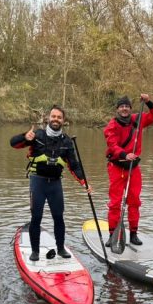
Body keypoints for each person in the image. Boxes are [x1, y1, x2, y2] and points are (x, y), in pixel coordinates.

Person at [10, 105, 90, 262]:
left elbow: (74, 165)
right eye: (53, 116)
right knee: (36, 218)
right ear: (48, 118)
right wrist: (25, 137)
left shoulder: (67, 141)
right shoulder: (37, 134)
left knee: (59, 217)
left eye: (59, 117)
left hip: (55, 184)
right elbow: (13, 143)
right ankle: (34, 251)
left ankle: (60, 249)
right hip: (37, 183)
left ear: (63, 121)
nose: (56, 119)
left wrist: (84, 182)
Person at [103, 93, 153, 245]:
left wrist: (148, 102)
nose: (124, 109)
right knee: (115, 203)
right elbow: (112, 144)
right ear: (117, 109)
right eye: (122, 107)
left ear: (130, 109)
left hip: (133, 168)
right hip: (117, 167)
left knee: (134, 201)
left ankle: (133, 234)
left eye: (127, 107)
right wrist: (124, 154)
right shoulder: (112, 126)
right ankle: (112, 235)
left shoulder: (138, 119)